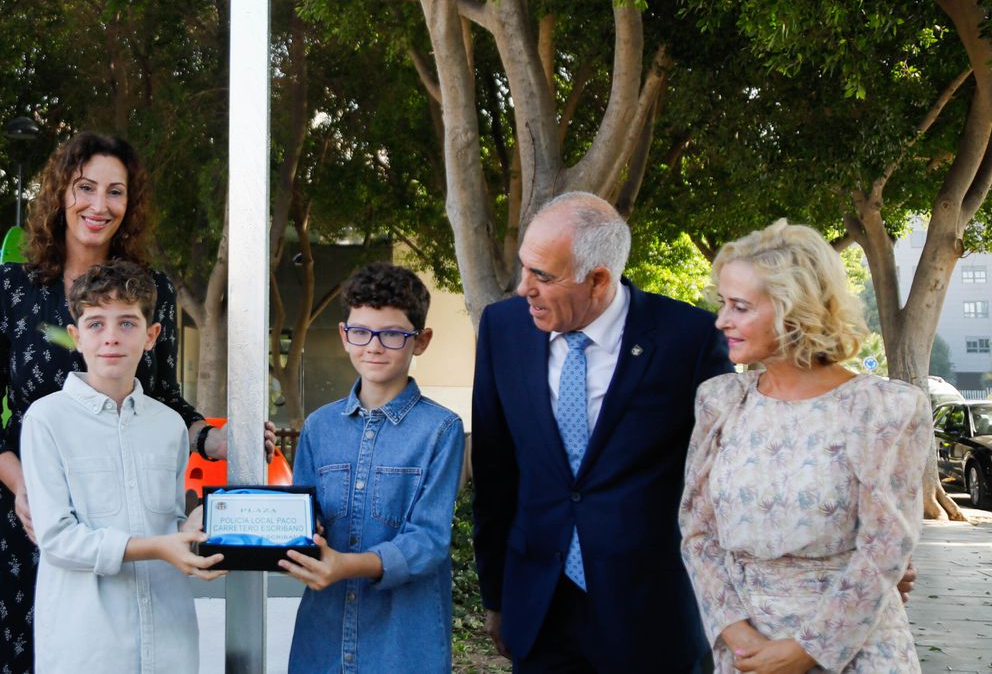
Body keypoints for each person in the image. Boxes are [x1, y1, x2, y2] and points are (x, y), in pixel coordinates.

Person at [0, 132, 264, 673]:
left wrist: (217, 440)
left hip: (119, 519)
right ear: (60, 193)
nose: (99, 205)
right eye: (85, 188)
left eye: (115, 192)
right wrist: (25, 485)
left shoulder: (152, 290)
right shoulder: (12, 288)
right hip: (25, 515)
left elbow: (165, 399)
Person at [471, 191, 733, 673]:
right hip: (540, 607)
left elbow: (726, 480)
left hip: (650, 615)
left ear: (597, 280)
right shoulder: (502, 328)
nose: (521, 286)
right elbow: (495, 469)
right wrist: (497, 597)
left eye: (542, 276)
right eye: (524, 267)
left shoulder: (689, 340)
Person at [680, 220, 931, 673]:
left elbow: (886, 546)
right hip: (746, 655)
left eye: (739, 307)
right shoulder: (719, 401)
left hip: (854, 652)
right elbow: (697, 533)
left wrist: (806, 651)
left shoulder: (884, 408)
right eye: (723, 304)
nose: (722, 321)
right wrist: (737, 636)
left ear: (792, 310)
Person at [20, 260, 225, 674]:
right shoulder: (46, 419)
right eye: (96, 324)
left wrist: (194, 527)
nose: (111, 337)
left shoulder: (169, 426)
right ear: (76, 337)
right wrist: (157, 547)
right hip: (87, 647)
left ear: (151, 336)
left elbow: (168, 520)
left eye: (128, 323)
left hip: (170, 644)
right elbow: (57, 538)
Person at [281, 262, 465, 674]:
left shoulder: (441, 430)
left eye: (393, 334)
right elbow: (303, 519)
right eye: (361, 332)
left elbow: (429, 540)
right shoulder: (318, 427)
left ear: (421, 341)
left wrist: (348, 565)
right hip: (322, 638)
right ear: (345, 335)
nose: (374, 347)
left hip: (403, 643)